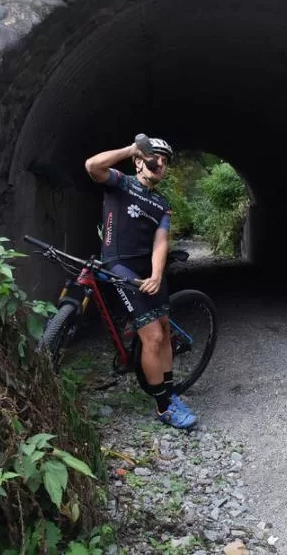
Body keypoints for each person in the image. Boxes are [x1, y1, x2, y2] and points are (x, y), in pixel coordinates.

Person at [84, 136, 197, 430]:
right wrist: (131, 149)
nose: (161, 163)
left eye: (165, 160)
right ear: (139, 161)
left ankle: (170, 393)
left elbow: (161, 242)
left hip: (148, 269)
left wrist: (157, 275)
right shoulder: (122, 183)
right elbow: (92, 165)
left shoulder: (162, 203)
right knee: (153, 337)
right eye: (155, 157)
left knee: (164, 330)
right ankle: (163, 408)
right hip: (118, 264)